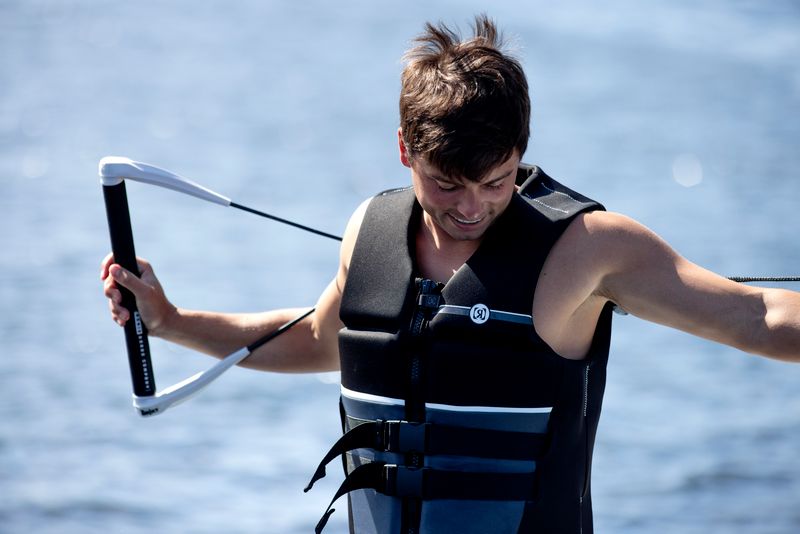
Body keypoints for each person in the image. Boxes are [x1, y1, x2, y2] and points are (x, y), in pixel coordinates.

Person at [101, 15, 800, 534]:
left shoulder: (588, 248)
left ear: (521, 151)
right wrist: (172, 321)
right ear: (404, 150)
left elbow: (758, 317)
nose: (470, 208)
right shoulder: (369, 233)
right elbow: (318, 339)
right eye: (446, 184)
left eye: (495, 183)